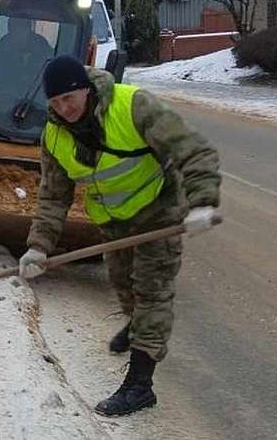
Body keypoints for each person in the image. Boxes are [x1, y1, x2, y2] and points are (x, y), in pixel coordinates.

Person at [20, 55, 221, 417]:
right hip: (114, 224)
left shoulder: (133, 106)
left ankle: (140, 386)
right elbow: (53, 196)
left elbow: (193, 150)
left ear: (84, 87)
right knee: (122, 283)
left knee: (152, 292)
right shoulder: (53, 135)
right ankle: (136, 324)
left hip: (159, 213)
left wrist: (202, 202)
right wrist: (38, 246)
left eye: (69, 98)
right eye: (55, 103)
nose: (64, 109)